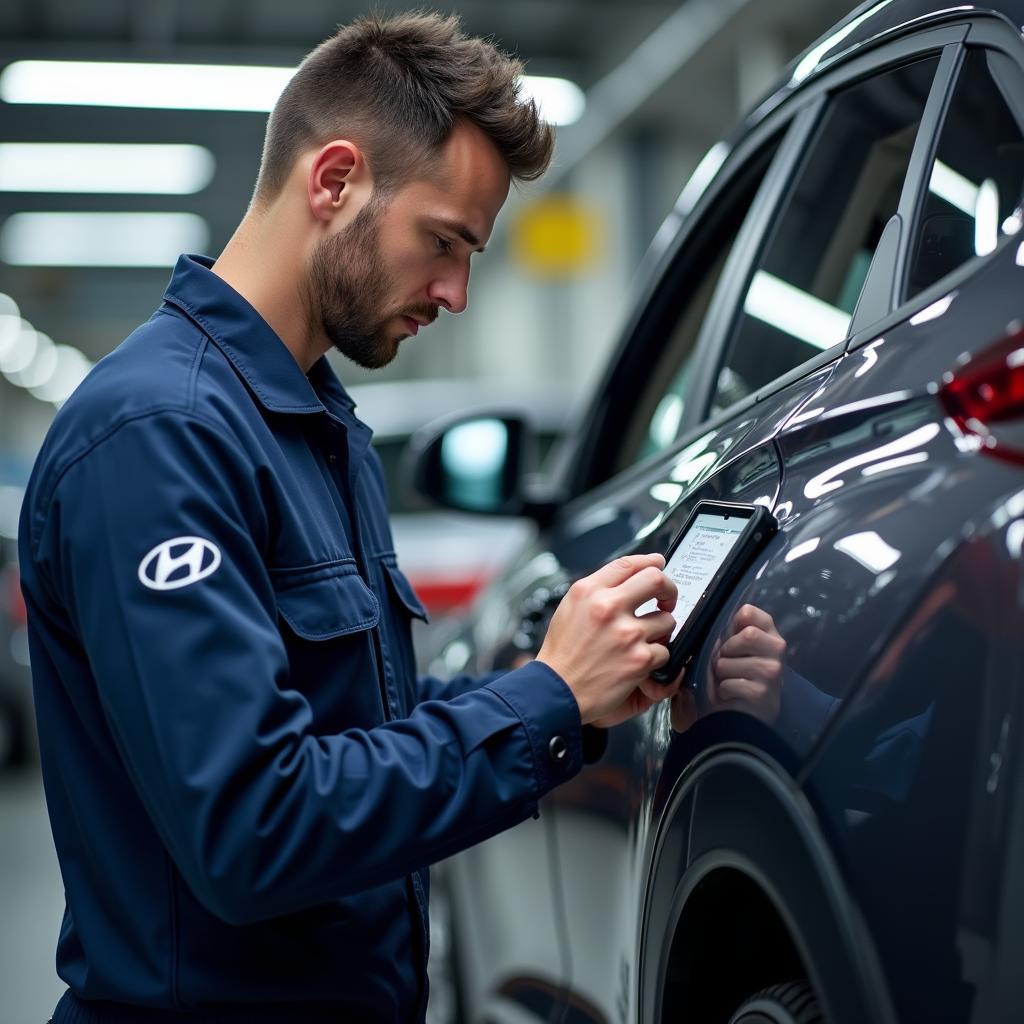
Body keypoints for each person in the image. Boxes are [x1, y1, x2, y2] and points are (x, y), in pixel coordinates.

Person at [18, 13, 685, 1024]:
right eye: (444, 242)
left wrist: (582, 688)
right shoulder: (160, 435)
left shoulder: (317, 424)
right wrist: (542, 700)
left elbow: (355, 720)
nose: (456, 292)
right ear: (333, 182)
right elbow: (257, 825)